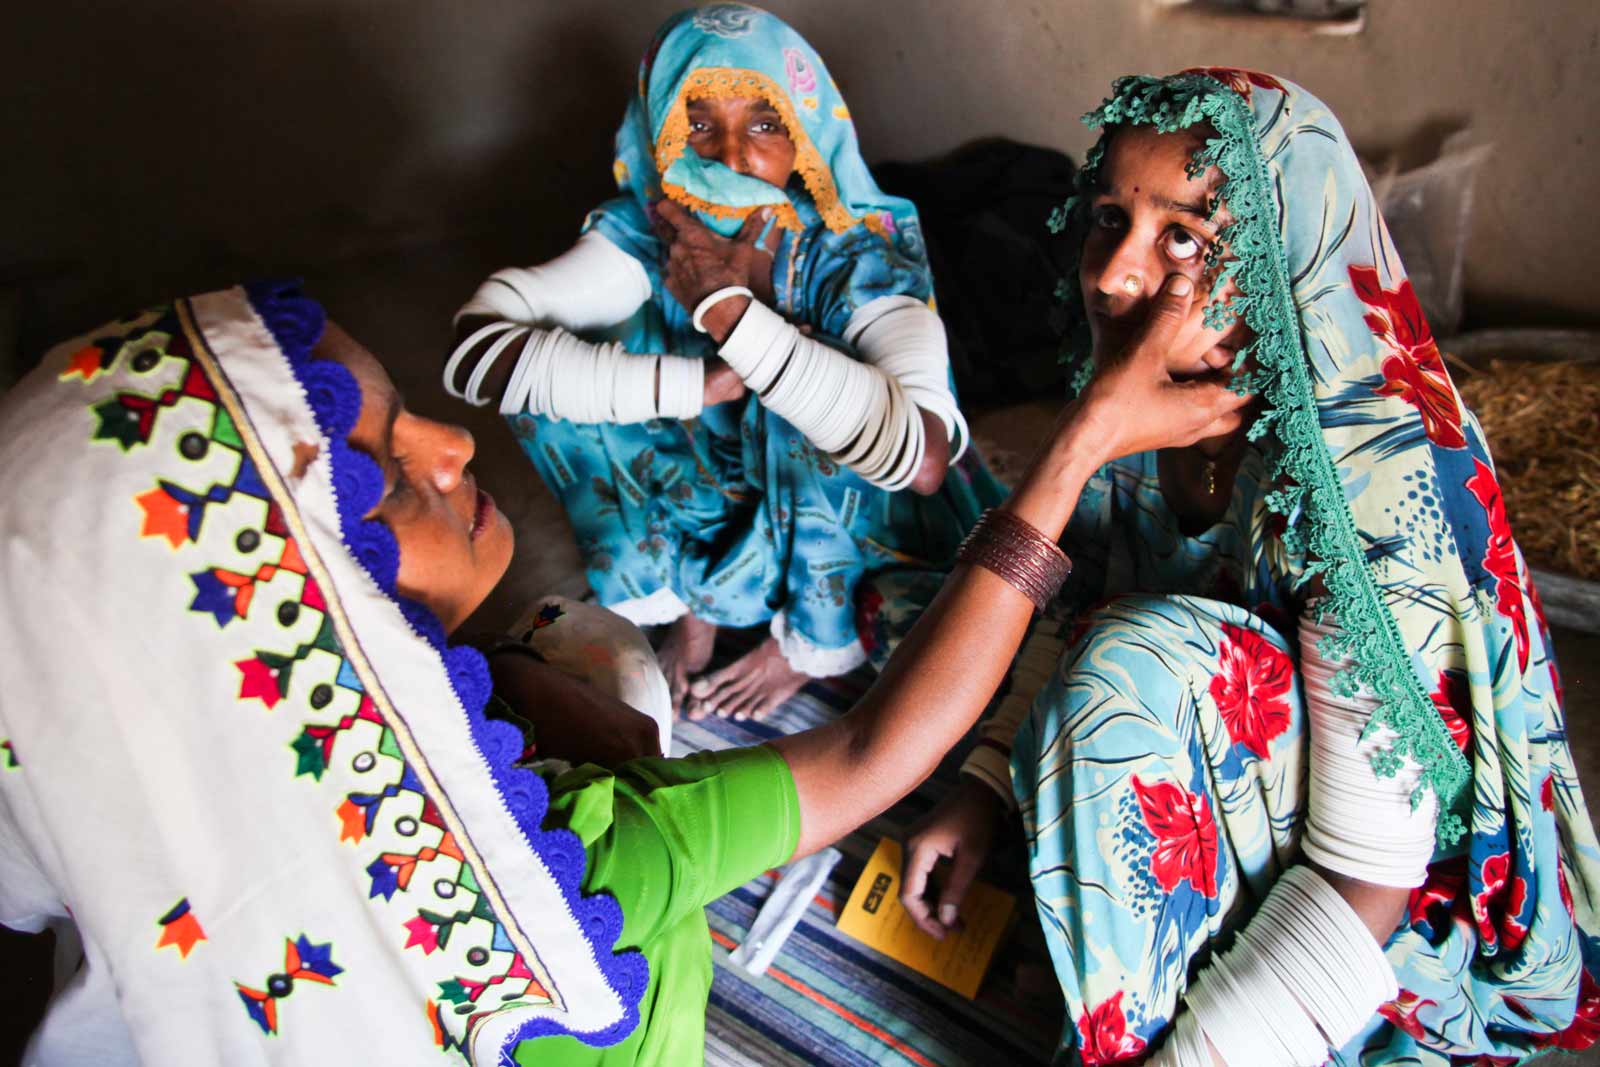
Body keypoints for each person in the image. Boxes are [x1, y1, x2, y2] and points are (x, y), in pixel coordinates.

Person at [0, 271, 1240, 1065]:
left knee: (585, 653)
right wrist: (1078, 445)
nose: (451, 438)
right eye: (378, 464)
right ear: (294, 616)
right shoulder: (574, 864)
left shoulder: (168, 855)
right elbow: (877, 748)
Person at [892, 70, 1600, 1066]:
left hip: (1376, 890)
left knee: (1124, 667)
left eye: (1183, 234)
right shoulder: (1139, 390)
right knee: (969, 604)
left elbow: (1366, 880)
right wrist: (981, 787)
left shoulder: (1369, 472)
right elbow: (1076, 583)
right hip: (1243, 780)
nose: (1113, 276)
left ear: (1284, 250)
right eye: (1109, 217)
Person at [442, 3, 1004, 722]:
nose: (732, 157)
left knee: (822, 390)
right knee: (544, 377)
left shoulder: (856, 247)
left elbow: (922, 455)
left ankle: (809, 640)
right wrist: (695, 384)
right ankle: (691, 604)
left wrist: (733, 315)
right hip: (719, 487)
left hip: (852, 526)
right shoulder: (651, 230)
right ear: (659, 132)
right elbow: (478, 349)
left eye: (765, 123)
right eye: (698, 124)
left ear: (807, 134)